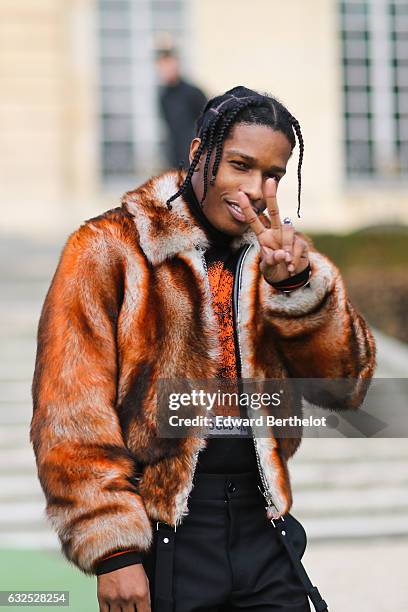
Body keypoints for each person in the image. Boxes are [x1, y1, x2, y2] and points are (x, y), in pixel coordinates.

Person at [30, 86, 376, 612]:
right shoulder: (107, 250)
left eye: (274, 174)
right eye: (240, 165)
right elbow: (70, 412)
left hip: (265, 529)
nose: (257, 189)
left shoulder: (278, 259)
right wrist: (115, 552)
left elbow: (346, 388)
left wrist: (299, 290)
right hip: (165, 534)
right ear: (198, 156)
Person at [156, 48, 207, 169]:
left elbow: (207, 122)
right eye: (162, 66)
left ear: (176, 64)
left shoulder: (193, 92)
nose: (166, 69)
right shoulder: (164, 97)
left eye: (169, 64)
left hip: (196, 157)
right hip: (175, 158)